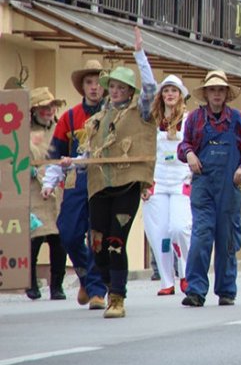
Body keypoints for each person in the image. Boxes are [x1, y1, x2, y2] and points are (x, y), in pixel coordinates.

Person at [46, 27, 158, 318]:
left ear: (130, 91)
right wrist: (73, 162)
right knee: (96, 244)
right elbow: (89, 152)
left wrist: (139, 54)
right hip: (98, 184)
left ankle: (117, 298)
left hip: (127, 184)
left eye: (122, 87)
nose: (117, 91)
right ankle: (108, 287)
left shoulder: (141, 111)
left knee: (115, 242)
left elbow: (151, 89)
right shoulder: (98, 118)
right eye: (115, 87)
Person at [177, 70, 241, 306]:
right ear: (205, 93)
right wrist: (190, 153)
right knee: (201, 236)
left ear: (226, 93)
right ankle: (195, 290)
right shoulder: (194, 119)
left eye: (220, 90)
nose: (216, 94)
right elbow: (183, 145)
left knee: (227, 239)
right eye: (212, 90)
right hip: (203, 185)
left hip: (230, 185)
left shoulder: (238, 119)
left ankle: (226, 290)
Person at [43, 58, 108, 310]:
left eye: (98, 83)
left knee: (97, 235)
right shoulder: (69, 118)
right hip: (76, 180)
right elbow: (55, 154)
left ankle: (97, 289)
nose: (94, 88)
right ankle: (84, 277)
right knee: (68, 233)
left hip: (102, 177)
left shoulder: (111, 116)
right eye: (89, 83)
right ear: (82, 87)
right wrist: (50, 182)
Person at [142, 75, 192, 296]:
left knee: (179, 228)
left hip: (182, 180)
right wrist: (143, 182)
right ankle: (166, 281)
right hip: (157, 181)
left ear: (181, 95)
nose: (170, 94)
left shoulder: (190, 119)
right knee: (159, 234)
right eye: (166, 91)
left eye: (174, 90)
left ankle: (187, 273)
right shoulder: (152, 121)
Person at [27, 87, 67, 300]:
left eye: (51, 106)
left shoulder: (60, 128)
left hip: (57, 189)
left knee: (59, 240)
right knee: (34, 238)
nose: (49, 110)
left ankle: (57, 286)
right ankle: (30, 283)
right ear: (34, 110)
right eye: (44, 107)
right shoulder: (22, 132)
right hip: (33, 189)